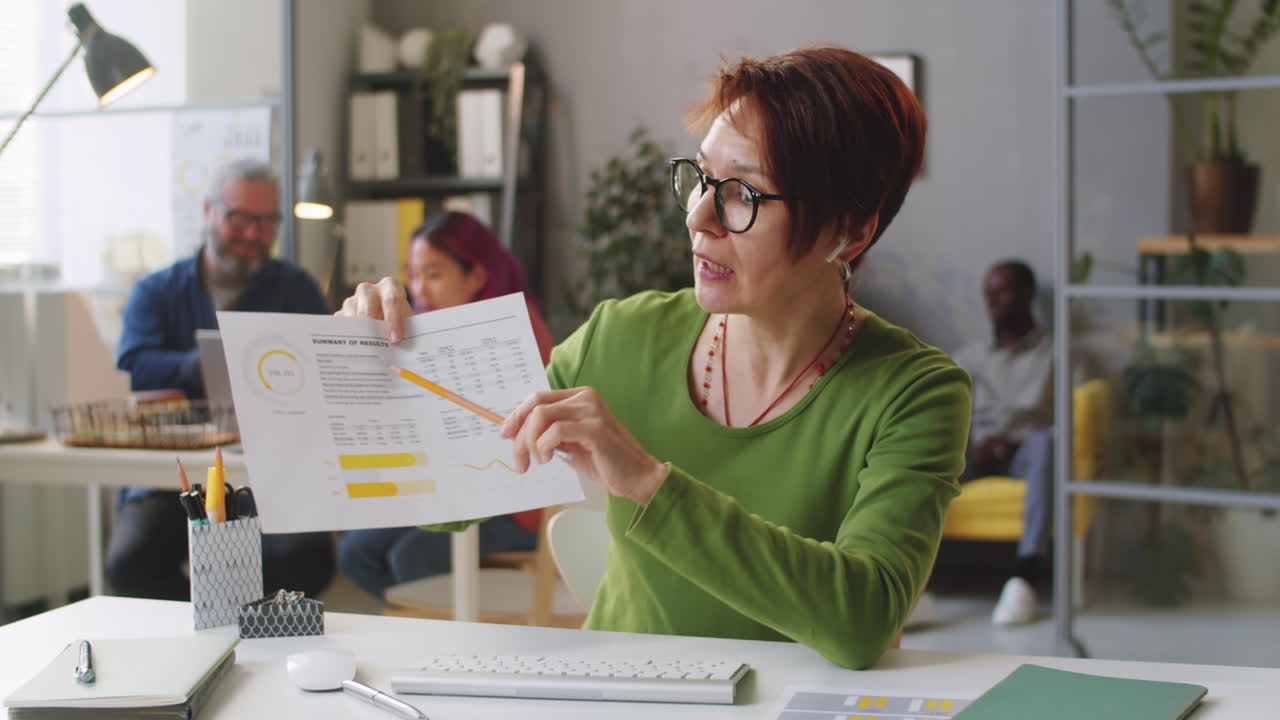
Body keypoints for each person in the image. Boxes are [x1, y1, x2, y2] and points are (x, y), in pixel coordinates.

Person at [339, 47, 971, 670]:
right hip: (619, 693)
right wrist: (367, 367)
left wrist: (646, 482)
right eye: (701, 179)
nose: (698, 218)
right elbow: (452, 492)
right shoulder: (621, 335)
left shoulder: (915, 393)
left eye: (743, 194)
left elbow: (863, 619)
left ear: (850, 231)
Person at [106, 158, 336, 600]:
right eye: (240, 218)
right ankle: (196, 638)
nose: (253, 233)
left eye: (267, 221)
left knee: (305, 558)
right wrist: (201, 364)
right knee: (131, 561)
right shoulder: (156, 290)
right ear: (208, 212)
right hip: (167, 475)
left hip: (272, 471)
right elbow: (136, 362)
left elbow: (322, 367)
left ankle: (250, 636)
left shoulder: (296, 289)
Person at [337, 211, 556, 601]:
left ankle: (440, 632)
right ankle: (416, 624)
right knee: (356, 552)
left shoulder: (516, 334)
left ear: (477, 276)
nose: (420, 290)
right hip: (447, 488)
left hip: (517, 505)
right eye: (413, 274)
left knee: (410, 559)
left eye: (434, 275)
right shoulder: (423, 330)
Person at [948, 260, 1060, 626]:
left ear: (1027, 294)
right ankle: (915, 586)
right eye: (989, 294)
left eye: (1004, 291)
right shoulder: (968, 358)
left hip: (1026, 452)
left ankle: (1026, 577)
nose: (994, 301)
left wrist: (1015, 443)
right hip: (973, 452)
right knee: (925, 451)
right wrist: (967, 447)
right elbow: (943, 412)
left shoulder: (1055, 355)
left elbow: (1070, 420)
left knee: (1045, 443)